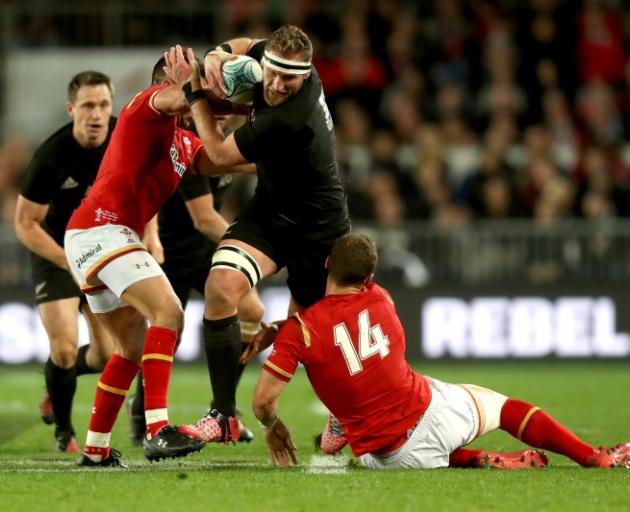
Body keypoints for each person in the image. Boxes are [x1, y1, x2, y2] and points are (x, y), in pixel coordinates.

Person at [250, 232, 630, 469]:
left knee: (371, 450)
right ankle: (590, 457)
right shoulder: (381, 299)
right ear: (369, 278)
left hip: (390, 457)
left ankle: (468, 459)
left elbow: (263, 402)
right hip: (431, 411)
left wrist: (271, 423)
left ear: (328, 264)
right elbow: (347, 325)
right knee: (504, 408)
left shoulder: (301, 332)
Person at [165, 24, 351, 443]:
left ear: (307, 75)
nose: (277, 84)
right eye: (272, 72)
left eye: (290, 78)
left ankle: (341, 412)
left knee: (311, 340)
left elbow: (218, 153)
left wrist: (195, 92)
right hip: (271, 210)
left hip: (318, 227)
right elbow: (247, 45)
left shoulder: (292, 116)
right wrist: (218, 52)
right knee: (220, 286)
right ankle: (222, 415)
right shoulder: (277, 61)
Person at [63, 53, 249, 467]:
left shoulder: (185, 142)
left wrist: (285, 155)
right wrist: (215, 91)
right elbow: (181, 101)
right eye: (190, 83)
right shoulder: (144, 108)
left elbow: (223, 158)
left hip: (94, 236)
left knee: (128, 349)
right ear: (168, 83)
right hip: (102, 228)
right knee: (170, 312)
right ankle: (157, 429)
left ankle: (95, 450)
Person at [127, 115, 264, 446]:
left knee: (252, 311)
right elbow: (204, 218)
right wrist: (252, 247)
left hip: (203, 253)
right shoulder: (190, 144)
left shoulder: (230, 143)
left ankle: (224, 411)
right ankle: (140, 411)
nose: (220, 113)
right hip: (170, 253)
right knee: (169, 332)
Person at [14, 71, 116, 453]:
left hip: (101, 251)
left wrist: (151, 236)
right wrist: (69, 261)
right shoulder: (50, 157)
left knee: (108, 356)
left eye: (103, 104)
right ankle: (64, 430)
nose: (96, 114)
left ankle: (56, 382)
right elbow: (25, 225)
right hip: (56, 254)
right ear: (72, 108)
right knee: (65, 349)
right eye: (88, 105)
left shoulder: (122, 140)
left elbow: (144, 185)